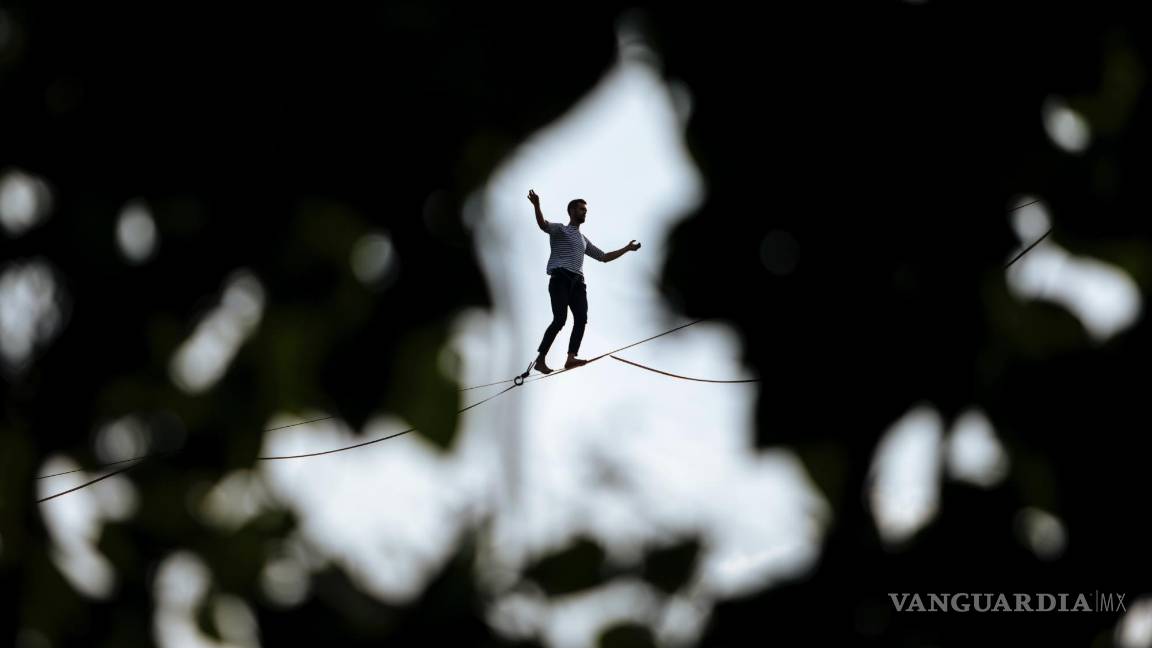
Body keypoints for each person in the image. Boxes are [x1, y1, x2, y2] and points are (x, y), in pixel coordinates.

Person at [528, 189, 641, 374]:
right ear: (572, 211)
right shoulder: (560, 229)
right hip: (560, 279)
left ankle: (571, 357)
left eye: (585, 210)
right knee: (560, 319)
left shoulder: (583, 240)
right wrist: (537, 205)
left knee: (581, 318)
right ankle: (540, 360)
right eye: (581, 209)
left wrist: (627, 248)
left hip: (577, 284)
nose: (584, 212)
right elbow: (542, 224)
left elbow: (604, 257)